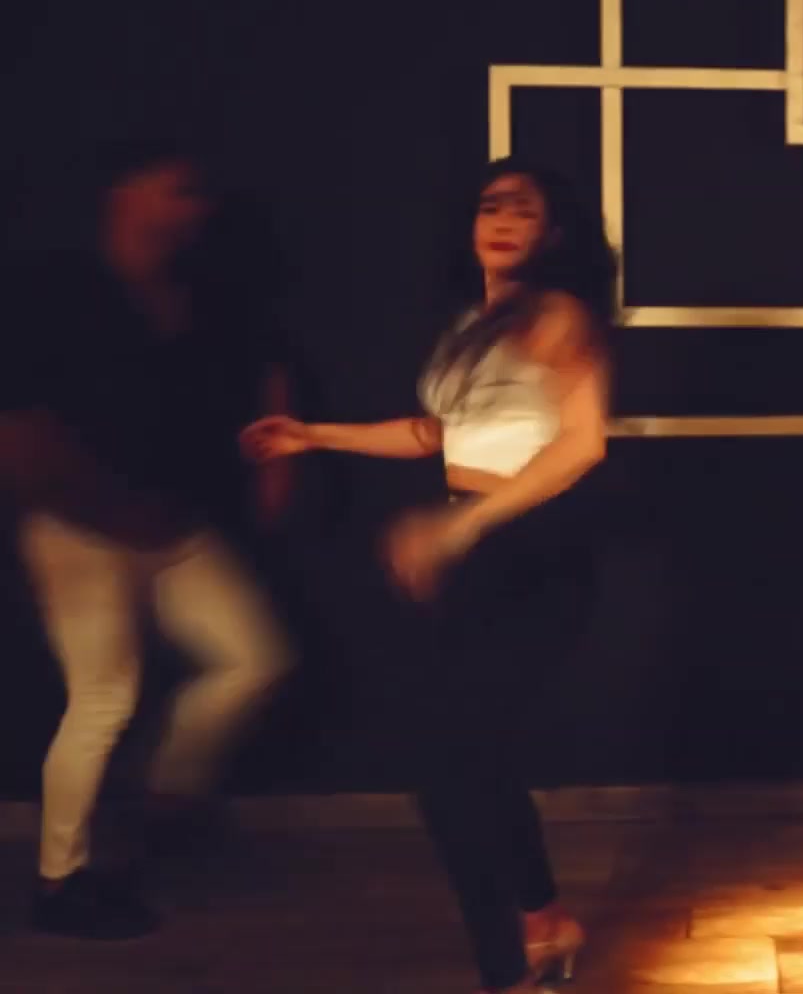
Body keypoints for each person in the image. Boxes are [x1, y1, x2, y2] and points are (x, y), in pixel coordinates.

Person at [242, 158, 613, 992]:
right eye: (491, 206)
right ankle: (545, 920)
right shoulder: (470, 326)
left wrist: (462, 527)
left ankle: (507, 969)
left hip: (532, 550)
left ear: (552, 232)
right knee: (470, 759)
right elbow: (435, 433)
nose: (503, 220)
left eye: (524, 209)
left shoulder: (555, 314)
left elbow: (582, 442)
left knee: (453, 770)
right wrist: (314, 435)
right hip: (475, 550)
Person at [1, 142, 293, 940]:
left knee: (254, 659)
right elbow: (19, 433)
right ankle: (61, 884)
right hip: (78, 529)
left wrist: (280, 451)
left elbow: (263, 359)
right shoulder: (57, 291)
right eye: (179, 190)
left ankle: (165, 793)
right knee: (103, 698)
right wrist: (90, 508)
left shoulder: (196, 292)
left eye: (199, 195)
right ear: (126, 195)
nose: (196, 208)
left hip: (175, 527)